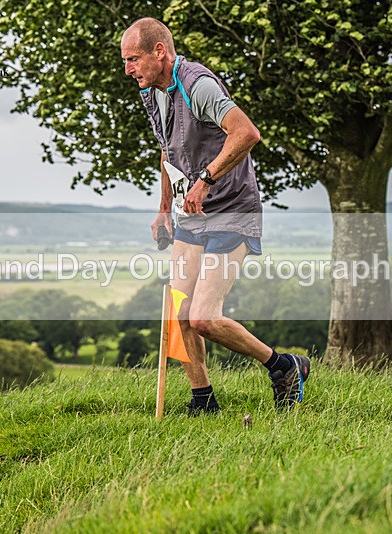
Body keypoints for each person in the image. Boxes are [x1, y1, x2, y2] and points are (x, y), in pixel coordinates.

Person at [120, 18, 310, 412]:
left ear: (159, 52)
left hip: (232, 210)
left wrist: (205, 180)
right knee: (179, 310)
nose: (128, 69)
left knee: (203, 318)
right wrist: (162, 208)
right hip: (191, 214)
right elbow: (168, 151)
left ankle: (284, 366)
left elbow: (247, 133)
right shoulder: (152, 91)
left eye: (133, 59)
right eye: (125, 61)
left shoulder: (198, 86)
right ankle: (202, 400)